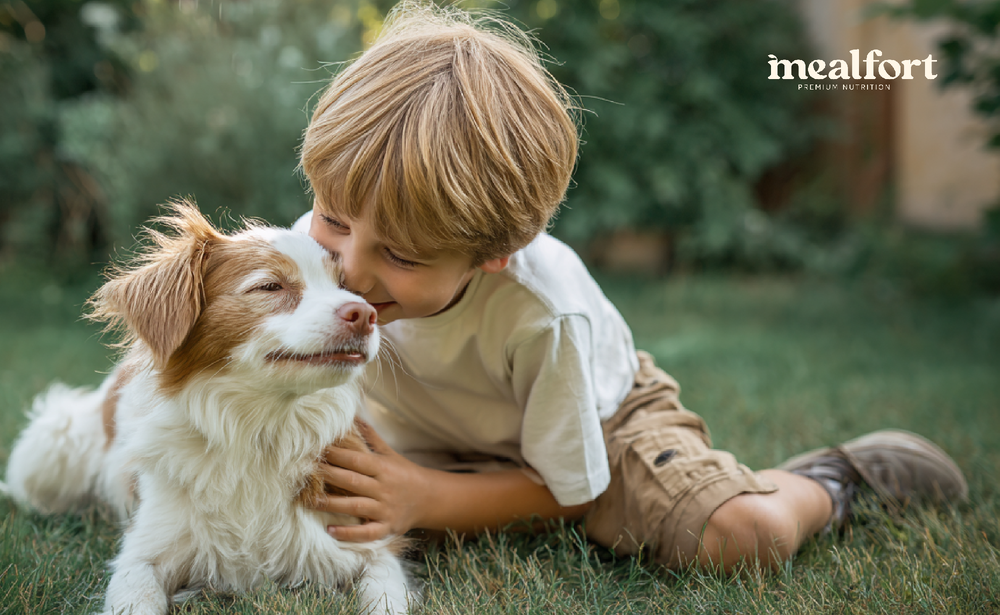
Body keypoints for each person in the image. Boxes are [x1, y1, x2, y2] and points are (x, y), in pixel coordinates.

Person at [293, 2, 967, 571]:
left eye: (402, 255)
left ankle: (836, 478)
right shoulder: (310, 260)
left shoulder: (543, 314)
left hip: (599, 434)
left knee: (739, 535)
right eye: (333, 219)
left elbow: (573, 490)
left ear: (494, 254)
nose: (349, 268)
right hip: (437, 443)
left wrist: (424, 497)